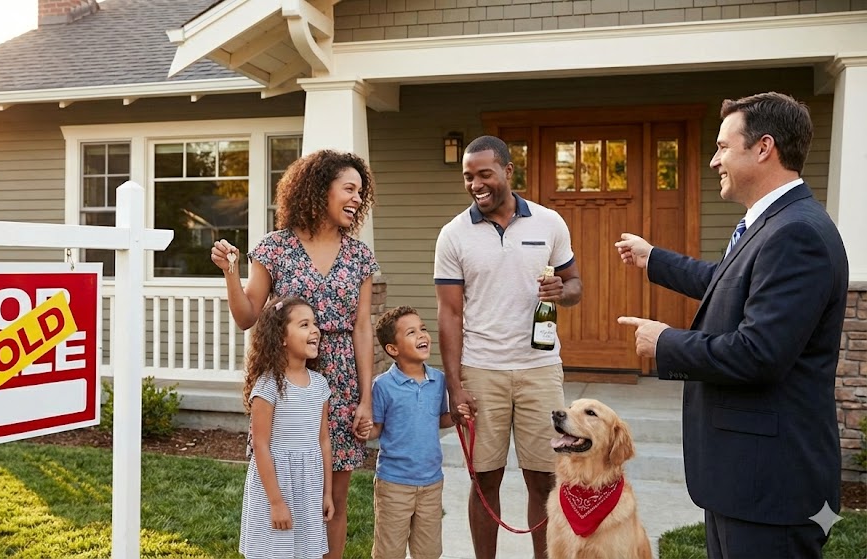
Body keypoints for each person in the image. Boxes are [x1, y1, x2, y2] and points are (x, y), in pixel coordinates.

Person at [616, 92, 848, 559]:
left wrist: (666, 343)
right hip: (743, 480)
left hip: (770, 487)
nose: (713, 159)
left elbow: (759, 353)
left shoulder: (795, 233)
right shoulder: (770, 224)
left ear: (763, 148)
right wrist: (653, 259)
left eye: (723, 146)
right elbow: (728, 282)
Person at [211, 149, 379, 559]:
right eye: (349, 188)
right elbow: (248, 315)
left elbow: (361, 327)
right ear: (320, 189)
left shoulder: (359, 256)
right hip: (288, 384)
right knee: (286, 487)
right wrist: (231, 274)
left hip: (338, 381)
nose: (357, 199)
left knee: (332, 499)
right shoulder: (275, 248)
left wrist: (365, 399)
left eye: (361, 191)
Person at [434, 135, 582, 559]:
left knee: (545, 481)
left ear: (507, 172)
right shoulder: (454, 235)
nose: (476, 184)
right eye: (468, 176)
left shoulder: (550, 223)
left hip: (540, 370)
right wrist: (454, 383)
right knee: (485, 482)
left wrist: (564, 289)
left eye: (484, 174)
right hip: (481, 371)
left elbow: (575, 286)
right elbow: (449, 314)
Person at [362, 305, 472, 559]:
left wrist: (457, 417)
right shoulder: (383, 386)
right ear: (393, 349)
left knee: (429, 551)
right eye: (411, 332)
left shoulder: (438, 380)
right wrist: (365, 431)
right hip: (394, 483)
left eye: (422, 328)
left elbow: (440, 419)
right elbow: (377, 428)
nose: (422, 335)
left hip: (431, 482)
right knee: (389, 551)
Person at [238, 296, 333, 558]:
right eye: (304, 325)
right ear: (281, 337)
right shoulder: (268, 386)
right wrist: (276, 502)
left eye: (315, 323)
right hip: (277, 486)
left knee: (304, 551)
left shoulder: (319, 385)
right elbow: (261, 445)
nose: (315, 330)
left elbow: (323, 440)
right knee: (274, 551)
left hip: (308, 487)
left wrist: (327, 493)